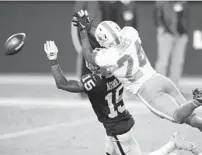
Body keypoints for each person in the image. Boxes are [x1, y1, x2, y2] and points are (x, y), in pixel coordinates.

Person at [44, 40, 198, 155]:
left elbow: (62, 84)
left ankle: (173, 145)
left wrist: (53, 59)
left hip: (117, 130)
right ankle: (174, 144)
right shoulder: (119, 73)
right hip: (120, 123)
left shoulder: (94, 82)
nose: (89, 63)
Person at [72, 10, 202, 133]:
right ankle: (196, 105)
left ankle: (196, 101)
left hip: (147, 90)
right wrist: (89, 28)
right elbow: (112, 37)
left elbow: (88, 55)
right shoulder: (130, 33)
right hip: (159, 79)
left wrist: (83, 32)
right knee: (190, 118)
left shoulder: (108, 56)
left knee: (176, 117)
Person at [154, 1, 189, 88]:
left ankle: (174, 88)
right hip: (166, 33)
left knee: (178, 62)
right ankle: (159, 87)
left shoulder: (183, 2)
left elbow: (186, 17)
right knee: (163, 61)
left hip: (181, 34)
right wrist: (161, 28)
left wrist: (185, 32)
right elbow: (157, 14)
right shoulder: (161, 2)